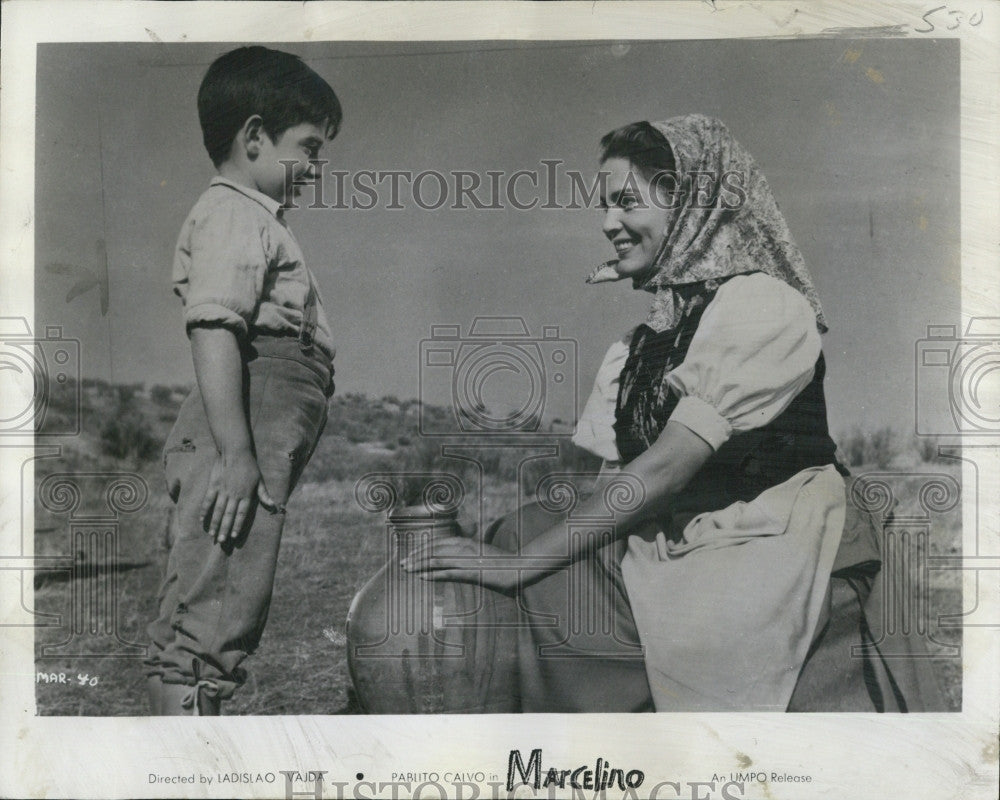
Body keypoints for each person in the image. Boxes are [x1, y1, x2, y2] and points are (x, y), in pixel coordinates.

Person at [404, 115, 945, 712]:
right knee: (522, 527)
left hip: (760, 524)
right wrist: (523, 546)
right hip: (671, 519)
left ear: (692, 204)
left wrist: (521, 566)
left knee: (562, 570)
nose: (609, 224)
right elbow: (618, 484)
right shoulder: (640, 344)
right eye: (606, 205)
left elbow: (667, 466)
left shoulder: (762, 307)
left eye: (627, 202)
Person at [144, 46, 340, 715]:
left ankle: (183, 735)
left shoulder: (253, 214)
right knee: (219, 594)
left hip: (263, 408)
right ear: (254, 137)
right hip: (248, 408)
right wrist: (235, 453)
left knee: (213, 590)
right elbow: (215, 325)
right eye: (309, 148)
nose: (318, 166)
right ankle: (186, 759)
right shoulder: (232, 212)